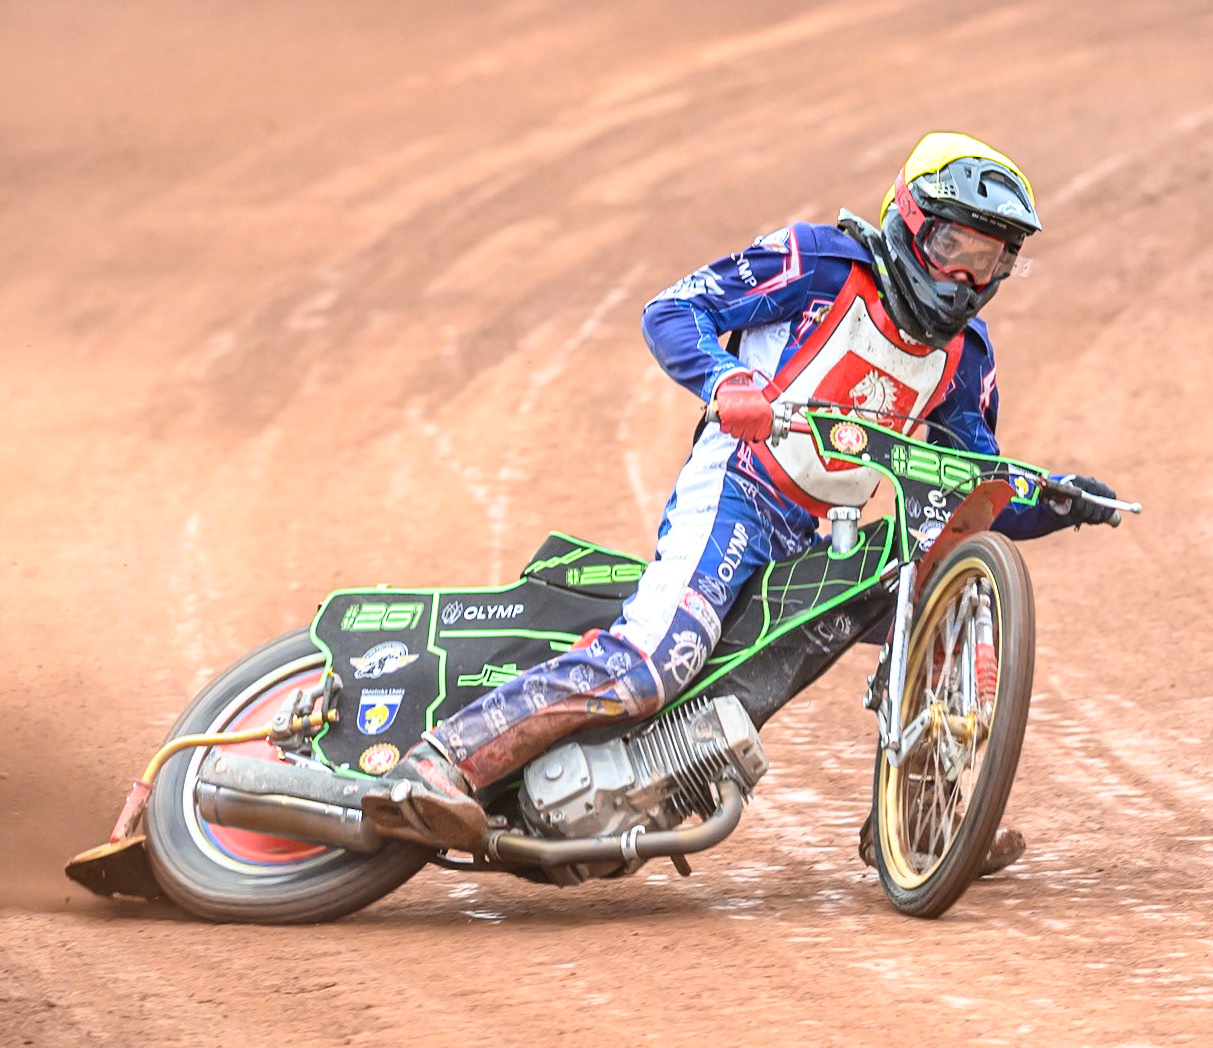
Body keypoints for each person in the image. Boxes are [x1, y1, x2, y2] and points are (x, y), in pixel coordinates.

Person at [362, 132, 1119, 862]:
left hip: (825, 533)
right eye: (955, 248)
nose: (966, 276)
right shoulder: (818, 263)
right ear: (910, 222)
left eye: (990, 261)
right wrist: (728, 381)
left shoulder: (965, 360)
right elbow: (673, 310)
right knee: (659, 660)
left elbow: (973, 488)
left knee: (947, 593)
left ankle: (930, 819)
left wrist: (1055, 500)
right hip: (738, 491)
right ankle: (442, 763)